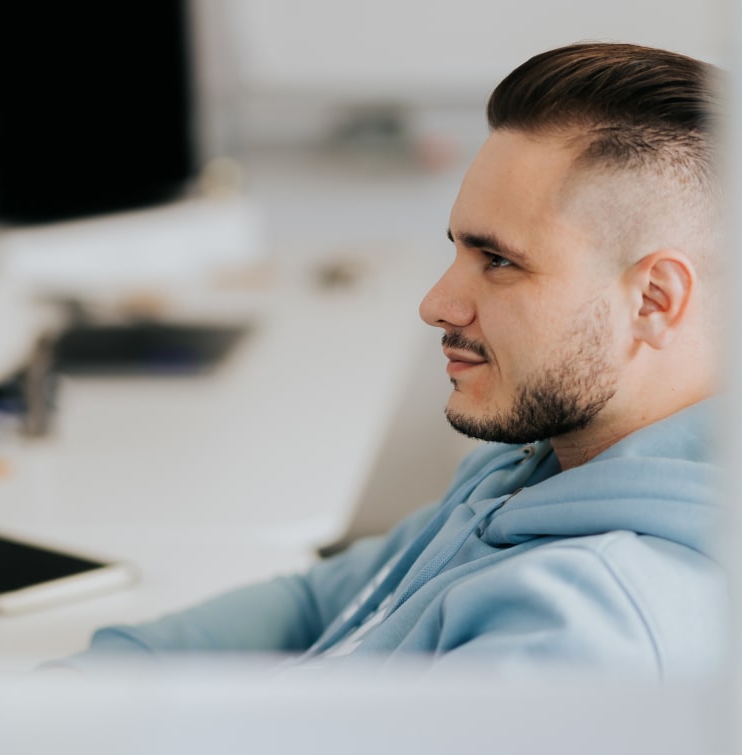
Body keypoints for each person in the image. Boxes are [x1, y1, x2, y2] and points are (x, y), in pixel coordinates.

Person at [59, 42, 728, 680]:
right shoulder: (536, 464)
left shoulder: (585, 628)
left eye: (497, 261)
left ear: (652, 300)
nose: (436, 303)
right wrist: (88, 683)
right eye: (458, 252)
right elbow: (325, 602)